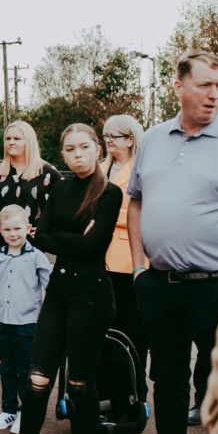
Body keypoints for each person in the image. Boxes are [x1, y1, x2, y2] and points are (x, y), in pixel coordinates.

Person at [115, 50, 218, 434]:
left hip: (216, 288)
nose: (214, 95)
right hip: (159, 284)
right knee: (169, 382)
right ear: (178, 87)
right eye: (205, 85)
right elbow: (136, 201)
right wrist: (139, 267)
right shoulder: (154, 139)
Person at [6, 123, 122, 434]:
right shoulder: (60, 188)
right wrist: (73, 237)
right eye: (70, 149)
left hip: (92, 294)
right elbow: (39, 236)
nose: (77, 155)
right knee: (38, 379)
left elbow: (92, 248)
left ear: (98, 150)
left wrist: (59, 236)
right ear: (63, 153)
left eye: (84, 147)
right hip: (58, 291)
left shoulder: (110, 193)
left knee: (79, 383)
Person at [0, 122, 62, 371]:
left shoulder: (46, 173)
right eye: (8, 138)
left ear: (29, 141)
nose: (11, 142)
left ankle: (24, 350)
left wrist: (46, 230)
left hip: (28, 250)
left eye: (17, 138)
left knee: (23, 297)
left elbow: (62, 204)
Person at [0, 204, 52, 434]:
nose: (13, 234)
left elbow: (50, 287)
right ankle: (8, 410)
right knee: (7, 369)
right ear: (0, 231)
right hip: (2, 324)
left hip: (27, 325)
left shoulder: (37, 257)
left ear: (28, 228)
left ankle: (25, 411)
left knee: (25, 371)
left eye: (17, 228)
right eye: (7, 229)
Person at [99, 115, 149, 383]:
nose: (108, 141)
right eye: (105, 136)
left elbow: (143, 212)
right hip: (99, 256)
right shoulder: (100, 169)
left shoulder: (142, 169)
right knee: (105, 323)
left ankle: (136, 383)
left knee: (132, 323)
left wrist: (106, 217)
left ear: (130, 139)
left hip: (128, 257)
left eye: (113, 136)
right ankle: (110, 384)